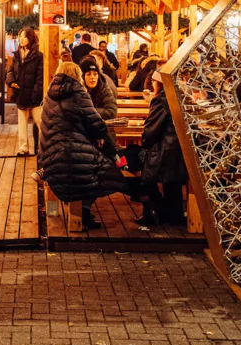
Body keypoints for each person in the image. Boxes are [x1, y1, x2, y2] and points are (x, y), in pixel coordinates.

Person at [39, 61, 128, 229]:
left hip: (50, 154)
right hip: (69, 155)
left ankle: (78, 212)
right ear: (77, 75)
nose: (90, 77)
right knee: (108, 173)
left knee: (95, 166)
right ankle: (82, 214)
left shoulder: (50, 94)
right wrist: (101, 132)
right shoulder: (78, 94)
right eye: (85, 74)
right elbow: (95, 124)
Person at [137, 71, 188, 226]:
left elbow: (150, 132)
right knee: (173, 185)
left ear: (158, 83)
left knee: (135, 162)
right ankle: (173, 214)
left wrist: (144, 141)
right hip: (179, 151)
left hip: (165, 153)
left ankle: (154, 211)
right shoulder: (179, 96)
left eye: (153, 81)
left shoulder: (160, 100)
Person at [6, 28, 44, 155]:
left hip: (34, 94)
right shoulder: (17, 55)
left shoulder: (38, 55)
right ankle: (23, 148)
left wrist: (35, 94)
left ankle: (43, 148)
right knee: (22, 122)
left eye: (24, 36)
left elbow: (40, 77)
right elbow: (10, 70)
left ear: (31, 38)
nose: (21, 39)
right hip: (20, 92)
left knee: (40, 122)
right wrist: (11, 82)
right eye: (20, 36)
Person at [80, 57, 117, 142]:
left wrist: (87, 112)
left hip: (104, 132)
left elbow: (111, 112)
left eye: (95, 74)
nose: (92, 77)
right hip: (83, 134)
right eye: (88, 74)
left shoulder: (104, 88)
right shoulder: (78, 91)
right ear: (82, 76)